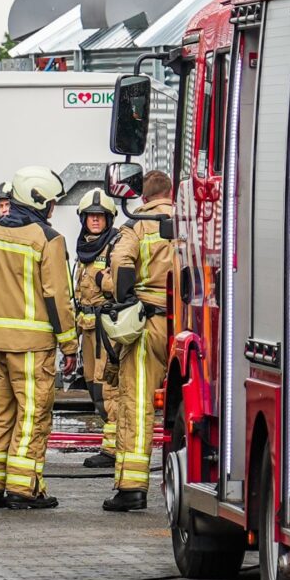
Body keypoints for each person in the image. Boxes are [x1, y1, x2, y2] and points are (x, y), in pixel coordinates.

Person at [0, 166, 77, 510]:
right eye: (52, 202)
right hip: (32, 347)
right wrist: (69, 344)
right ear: (39, 201)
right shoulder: (48, 239)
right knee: (31, 415)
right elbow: (57, 296)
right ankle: (22, 490)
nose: (53, 208)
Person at [98, 169, 179, 513]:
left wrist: (119, 292)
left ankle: (131, 487)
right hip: (189, 327)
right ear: (171, 193)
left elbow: (121, 263)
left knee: (137, 405)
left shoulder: (136, 225)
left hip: (147, 325)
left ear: (143, 198)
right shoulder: (191, 220)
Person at [69, 189, 123, 468]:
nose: (95, 220)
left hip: (106, 329)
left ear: (109, 219)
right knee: (92, 386)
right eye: (91, 215)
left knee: (108, 389)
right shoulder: (83, 248)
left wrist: (104, 279)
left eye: (100, 216)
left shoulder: (115, 244)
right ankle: (111, 442)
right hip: (86, 329)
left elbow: (123, 284)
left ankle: (113, 449)